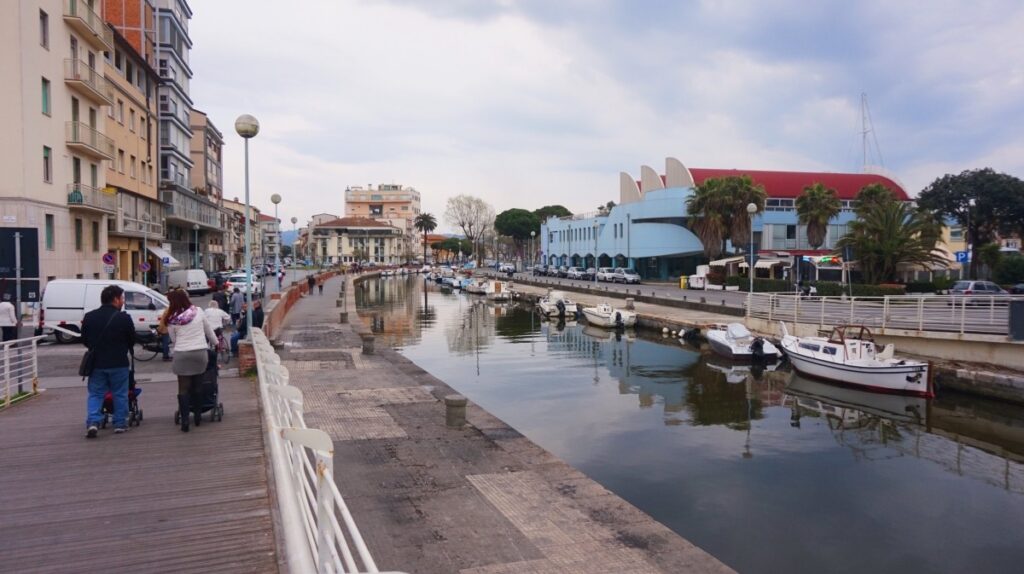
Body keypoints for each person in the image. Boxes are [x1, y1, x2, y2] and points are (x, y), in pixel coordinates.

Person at [81, 285, 136, 437]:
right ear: (116, 299)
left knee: (96, 394)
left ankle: (93, 422)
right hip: (118, 362)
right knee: (120, 393)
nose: (123, 302)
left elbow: (85, 340)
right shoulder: (123, 318)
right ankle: (120, 424)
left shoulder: (89, 317)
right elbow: (132, 339)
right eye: (122, 298)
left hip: (97, 363)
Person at [166, 290, 216, 432]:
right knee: (198, 385)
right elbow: (209, 331)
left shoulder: (172, 318)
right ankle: (198, 416)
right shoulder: (199, 311)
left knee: (183, 388)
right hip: (200, 353)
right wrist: (216, 343)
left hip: (182, 354)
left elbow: (173, 340)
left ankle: (185, 420)